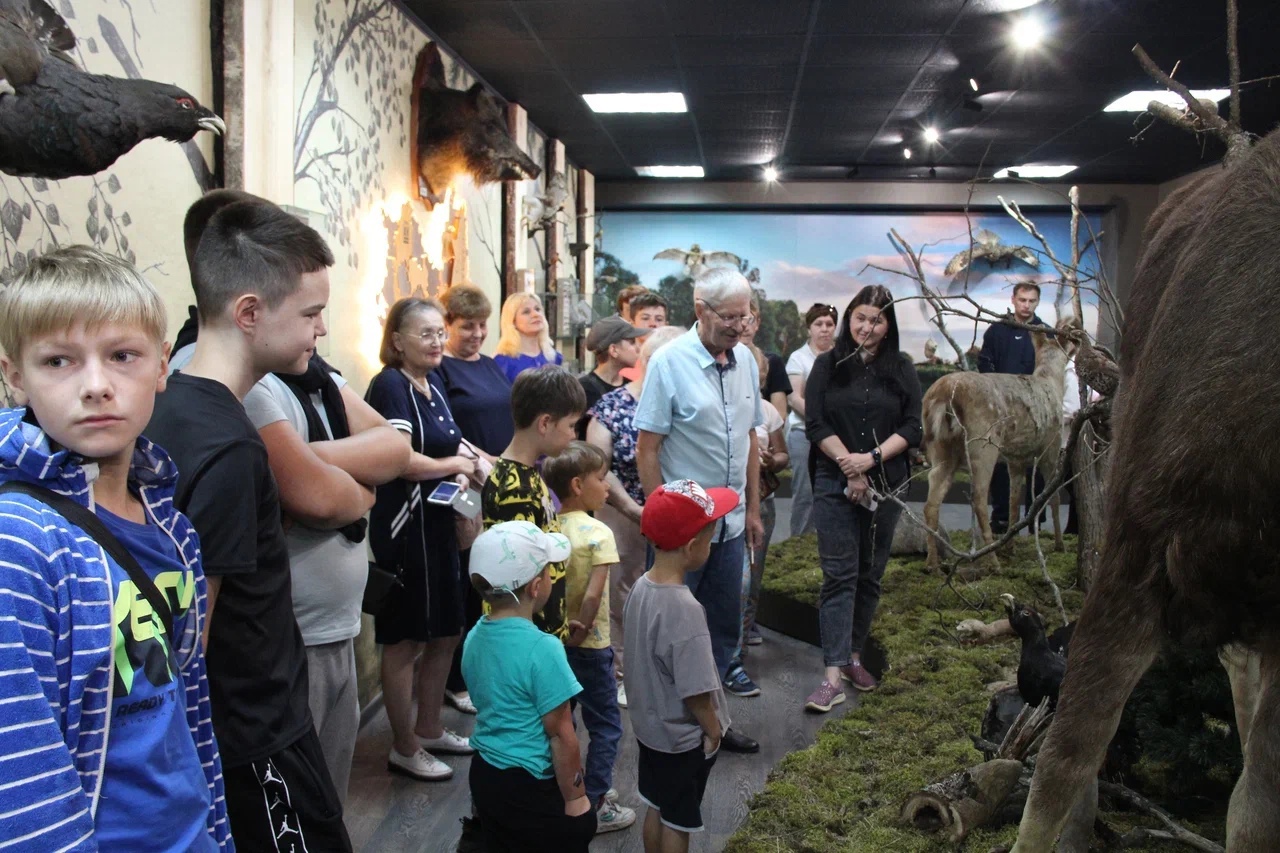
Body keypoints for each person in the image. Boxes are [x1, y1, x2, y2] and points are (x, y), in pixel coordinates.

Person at [0, 247, 230, 851]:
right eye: (58, 361)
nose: (97, 386)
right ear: (15, 375)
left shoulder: (171, 526)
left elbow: (186, 708)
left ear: (160, 366)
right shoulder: (19, 541)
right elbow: (22, 769)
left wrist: (217, 830)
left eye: (122, 356)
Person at [146, 199, 353, 848]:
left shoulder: (173, 406)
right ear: (249, 313)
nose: (321, 331)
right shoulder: (230, 447)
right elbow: (187, 635)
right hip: (252, 735)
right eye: (311, 314)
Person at [242, 355, 409, 803]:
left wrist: (305, 457)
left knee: (329, 794)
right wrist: (356, 477)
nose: (319, 328)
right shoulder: (251, 382)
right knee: (296, 802)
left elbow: (395, 449)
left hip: (336, 626)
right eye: (309, 312)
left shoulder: (316, 372)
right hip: (292, 632)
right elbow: (319, 499)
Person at [635, 267, 763, 753]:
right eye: (729, 316)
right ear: (700, 310)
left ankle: (716, 723)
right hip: (682, 532)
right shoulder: (669, 363)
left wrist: (752, 510)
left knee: (721, 628)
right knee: (671, 631)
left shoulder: (746, 361)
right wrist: (659, 521)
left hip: (728, 526)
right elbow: (648, 449)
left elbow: (750, 438)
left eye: (745, 315)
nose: (739, 325)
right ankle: (670, 729)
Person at [366, 297, 478, 782]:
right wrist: (455, 466)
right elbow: (397, 460)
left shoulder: (431, 384)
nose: (437, 342)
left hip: (440, 526)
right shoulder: (391, 386)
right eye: (425, 334)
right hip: (405, 531)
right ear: (397, 341)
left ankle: (430, 726)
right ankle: (404, 745)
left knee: (448, 629)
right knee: (405, 638)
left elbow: (455, 442)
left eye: (439, 332)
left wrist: (488, 465)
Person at [802, 286, 922, 713]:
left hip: (886, 482)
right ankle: (831, 676)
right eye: (860, 317)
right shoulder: (827, 364)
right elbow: (815, 423)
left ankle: (854, 656)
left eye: (877, 320)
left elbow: (912, 427)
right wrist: (848, 465)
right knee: (839, 575)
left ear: (888, 326)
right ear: (849, 317)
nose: (866, 327)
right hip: (834, 482)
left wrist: (868, 460)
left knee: (870, 574)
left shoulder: (902, 367)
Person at [462, 522, 596, 850]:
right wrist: (576, 798)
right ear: (537, 587)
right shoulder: (543, 648)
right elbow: (562, 734)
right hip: (531, 783)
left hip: (485, 773)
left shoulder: (474, 637)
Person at [625, 479, 736, 853]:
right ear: (692, 548)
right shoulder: (686, 610)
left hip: (649, 730)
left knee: (656, 806)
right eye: (710, 537)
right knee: (679, 819)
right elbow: (697, 690)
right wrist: (713, 730)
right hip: (681, 739)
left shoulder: (641, 587)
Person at [586, 326, 684, 709]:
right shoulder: (611, 407)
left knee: (667, 596)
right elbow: (599, 465)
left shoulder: (683, 404)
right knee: (621, 597)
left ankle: (663, 671)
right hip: (623, 515)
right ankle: (622, 674)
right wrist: (633, 508)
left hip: (673, 517)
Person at [543, 442, 637, 834]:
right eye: (602, 479)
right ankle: (595, 800)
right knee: (607, 727)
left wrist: (563, 631)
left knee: (561, 722)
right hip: (591, 646)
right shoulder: (599, 532)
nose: (608, 486)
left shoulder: (548, 529)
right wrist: (581, 628)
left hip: (554, 645)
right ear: (579, 485)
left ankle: (562, 790)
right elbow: (596, 593)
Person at [438, 282, 512, 715]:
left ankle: (488, 666)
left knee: (498, 574)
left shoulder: (488, 365)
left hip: (500, 481)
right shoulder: (441, 371)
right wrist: (489, 463)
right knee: (469, 579)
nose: (477, 334)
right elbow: (449, 432)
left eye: (482, 325)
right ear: (447, 325)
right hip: (468, 487)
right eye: (467, 326)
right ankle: (456, 678)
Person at [482, 365, 587, 641]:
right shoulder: (516, 488)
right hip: (527, 635)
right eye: (571, 425)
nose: (573, 435)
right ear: (544, 423)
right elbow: (521, 580)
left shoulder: (525, 474)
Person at [978, 282, 1047, 534]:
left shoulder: (1044, 333)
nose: (1026, 305)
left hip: (1033, 411)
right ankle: (1001, 518)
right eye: (1022, 300)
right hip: (1001, 410)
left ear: (1037, 302)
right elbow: (985, 365)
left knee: (1034, 465)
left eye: (1031, 301)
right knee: (1000, 463)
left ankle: (1035, 518)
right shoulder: (997, 331)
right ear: (1013, 299)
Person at [739, 343, 789, 650]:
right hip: (730, 501)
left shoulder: (767, 410)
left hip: (762, 500)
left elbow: (783, 455)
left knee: (755, 569)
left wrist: (773, 461)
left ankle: (746, 628)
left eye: (753, 369)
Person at [785, 303, 838, 538]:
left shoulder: (845, 356)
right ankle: (799, 543)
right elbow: (795, 398)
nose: (824, 329)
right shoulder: (798, 359)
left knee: (835, 492)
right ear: (809, 328)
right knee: (805, 493)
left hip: (839, 436)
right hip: (803, 433)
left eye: (829, 324)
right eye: (818, 324)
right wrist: (822, 419)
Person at [579, 316, 646, 416]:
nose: (638, 348)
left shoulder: (631, 387)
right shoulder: (582, 391)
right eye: (632, 342)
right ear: (613, 350)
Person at [493, 292, 563, 383]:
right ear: (513, 321)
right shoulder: (502, 362)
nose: (535, 314)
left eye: (538, 309)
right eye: (526, 312)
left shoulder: (555, 358)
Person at [743, 296, 792, 423]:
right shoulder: (720, 361)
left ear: (757, 323)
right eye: (740, 319)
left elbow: (780, 415)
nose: (745, 326)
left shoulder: (773, 362)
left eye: (750, 320)